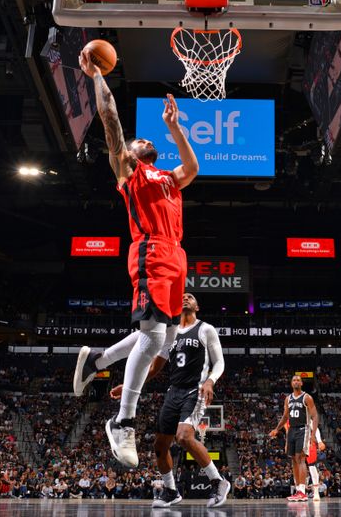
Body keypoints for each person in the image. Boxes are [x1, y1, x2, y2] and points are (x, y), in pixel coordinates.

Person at [73, 44, 199, 469]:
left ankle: (99, 358)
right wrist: (96, 76)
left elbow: (193, 167)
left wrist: (175, 129)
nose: (138, 140)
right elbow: (110, 118)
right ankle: (123, 421)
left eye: (144, 140)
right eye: (135, 139)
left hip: (176, 256)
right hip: (150, 252)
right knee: (152, 335)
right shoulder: (127, 170)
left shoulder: (168, 178)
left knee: (161, 337)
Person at [109, 293, 229, 508]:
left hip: (195, 390)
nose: (185, 298)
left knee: (183, 437)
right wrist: (128, 387)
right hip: (173, 392)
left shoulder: (205, 329)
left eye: (190, 297)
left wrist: (211, 381)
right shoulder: (169, 333)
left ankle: (218, 481)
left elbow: (219, 362)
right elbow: (155, 368)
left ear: (197, 306)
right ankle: (171, 491)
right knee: (159, 446)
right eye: (182, 296)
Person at [269, 375, 321, 502]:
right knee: (293, 460)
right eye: (294, 380)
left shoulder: (307, 397)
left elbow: (315, 416)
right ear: (291, 383)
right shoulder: (288, 399)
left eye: (298, 380)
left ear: (301, 383)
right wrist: (277, 428)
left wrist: (313, 434)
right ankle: (298, 490)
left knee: (300, 458)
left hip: (303, 429)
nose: (296, 382)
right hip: (291, 429)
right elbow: (285, 416)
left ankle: (302, 491)